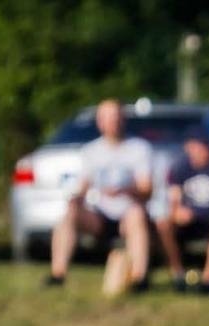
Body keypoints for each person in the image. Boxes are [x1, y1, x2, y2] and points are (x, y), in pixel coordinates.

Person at [47, 100, 153, 291]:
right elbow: (84, 185)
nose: (112, 122)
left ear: (123, 120)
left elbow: (147, 189)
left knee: (136, 214)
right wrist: (76, 199)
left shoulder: (139, 148)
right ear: (100, 122)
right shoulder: (91, 151)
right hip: (100, 214)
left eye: (115, 118)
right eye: (107, 118)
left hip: (128, 214)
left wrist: (125, 190)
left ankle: (139, 277)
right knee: (68, 214)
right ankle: (58, 273)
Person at [155, 130, 209, 291]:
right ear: (189, 148)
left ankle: (208, 278)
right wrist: (177, 211)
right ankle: (177, 272)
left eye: (207, 146)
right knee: (163, 223)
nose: (205, 150)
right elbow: (174, 201)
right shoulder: (180, 168)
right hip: (189, 220)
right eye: (200, 146)